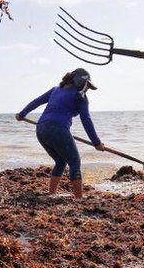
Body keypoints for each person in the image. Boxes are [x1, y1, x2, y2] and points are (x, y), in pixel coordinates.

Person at [16, 68, 105, 199]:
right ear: (80, 82)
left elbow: (36, 102)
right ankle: (79, 198)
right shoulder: (80, 97)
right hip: (58, 129)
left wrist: (22, 114)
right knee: (74, 162)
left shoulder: (55, 90)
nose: (87, 90)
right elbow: (86, 120)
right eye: (87, 86)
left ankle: (52, 194)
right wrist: (96, 142)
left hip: (41, 129)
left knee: (60, 161)